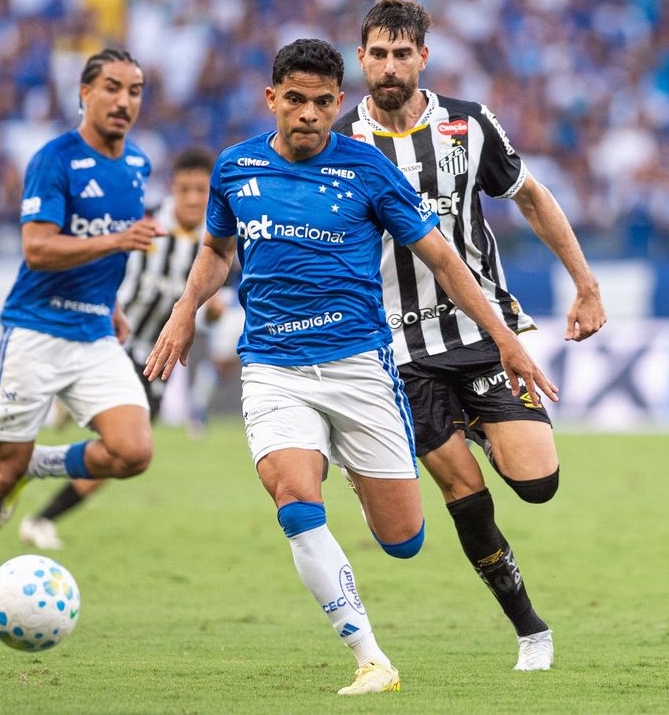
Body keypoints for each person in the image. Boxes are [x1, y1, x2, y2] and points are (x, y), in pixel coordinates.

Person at [144, 38, 558, 696]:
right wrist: (184, 309)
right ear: (271, 98)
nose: (307, 113)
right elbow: (217, 252)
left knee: (403, 540)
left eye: (320, 102)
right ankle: (371, 659)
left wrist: (504, 338)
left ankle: (357, 475)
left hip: (361, 367)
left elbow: (445, 261)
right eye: (295, 100)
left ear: (338, 103)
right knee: (295, 500)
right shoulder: (234, 168)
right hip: (274, 367)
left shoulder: (366, 169)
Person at [333, 0, 608, 671]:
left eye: (403, 54)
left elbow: (533, 198)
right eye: (378, 54)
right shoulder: (338, 144)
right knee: (464, 495)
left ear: (423, 57)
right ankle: (530, 629)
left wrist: (586, 283)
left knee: (538, 482)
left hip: (482, 331)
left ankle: (480, 423)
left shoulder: (468, 124)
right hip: (399, 352)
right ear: (361, 58)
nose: (390, 66)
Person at [0, 48, 164, 632]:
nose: (124, 101)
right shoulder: (54, 159)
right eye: (112, 88)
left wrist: (115, 305)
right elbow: (39, 248)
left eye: (135, 90)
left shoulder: (138, 165)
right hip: (35, 332)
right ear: (84, 93)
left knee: (133, 452)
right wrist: (119, 241)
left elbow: (106, 249)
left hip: (95, 333)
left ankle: (36, 465)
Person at [18, 146, 216, 550]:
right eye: (186, 189)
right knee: (123, 446)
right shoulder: (144, 223)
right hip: (113, 342)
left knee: (124, 458)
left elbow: (213, 308)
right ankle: (63, 406)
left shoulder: (218, 239)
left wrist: (215, 310)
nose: (194, 198)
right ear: (173, 190)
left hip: (156, 365)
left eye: (201, 189)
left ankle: (40, 515)